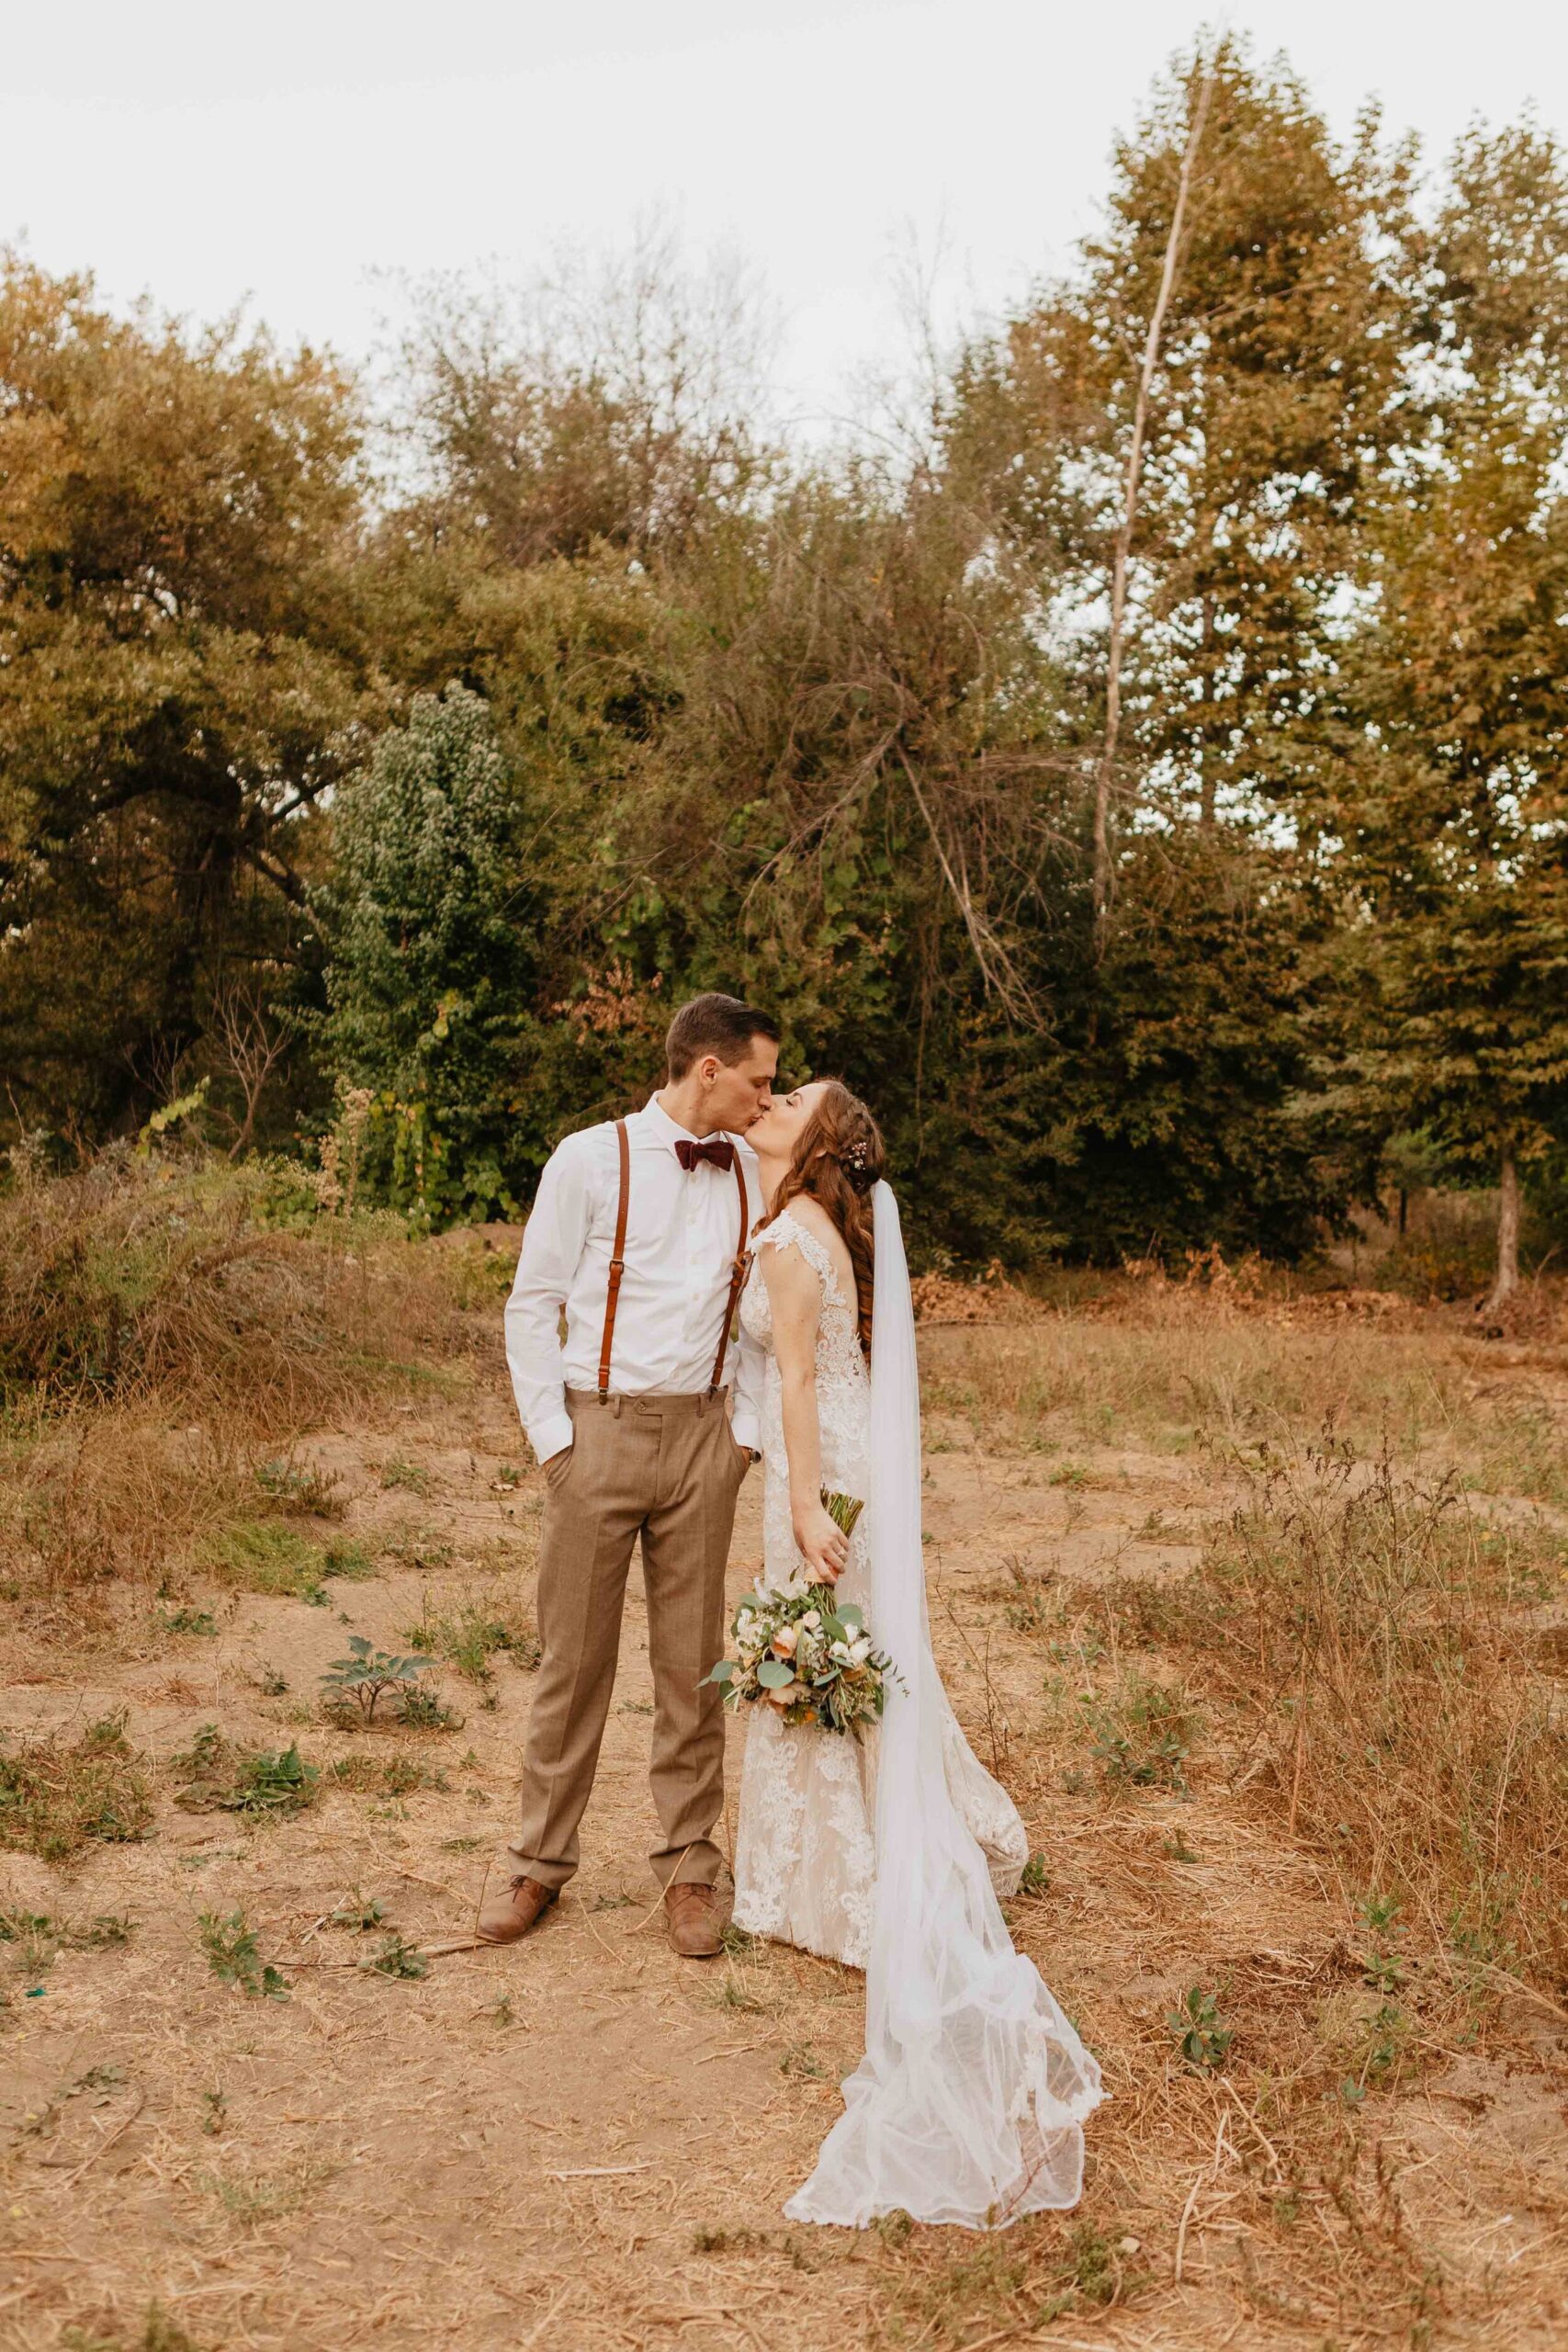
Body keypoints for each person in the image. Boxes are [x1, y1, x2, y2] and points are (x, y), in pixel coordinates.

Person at [732, 1079, 1104, 2227]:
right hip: (845, 1453)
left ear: (821, 1145)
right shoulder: (810, 1224)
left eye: (792, 1097)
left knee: (832, 1653)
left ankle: (838, 1884)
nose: (772, 1097)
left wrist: (801, 1504)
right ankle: (843, 1859)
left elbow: (794, 1376)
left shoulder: (793, 1239)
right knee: (855, 1657)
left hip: (821, 1467)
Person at [478, 992, 778, 1959]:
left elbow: (775, 1315)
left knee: (696, 1668)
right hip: (595, 1432)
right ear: (708, 1070)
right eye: (759, 1081)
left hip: (704, 1441)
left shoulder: (755, 1172)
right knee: (573, 1661)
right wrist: (555, 1443)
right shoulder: (588, 1158)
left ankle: (690, 1867)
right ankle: (537, 1860)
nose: (768, 1100)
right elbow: (532, 1303)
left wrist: (744, 1440)